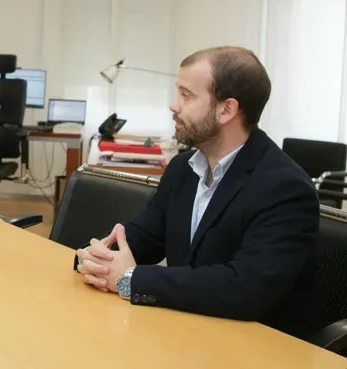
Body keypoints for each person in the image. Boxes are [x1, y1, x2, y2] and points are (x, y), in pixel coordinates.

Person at [75, 46, 320, 339]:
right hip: (187, 333)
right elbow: (145, 237)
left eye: (186, 95)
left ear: (226, 109)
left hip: (254, 348)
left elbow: (244, 289)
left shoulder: (286, 188)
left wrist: (132, 279)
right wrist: (98, 258)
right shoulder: (183, 168)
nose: (173, 105)